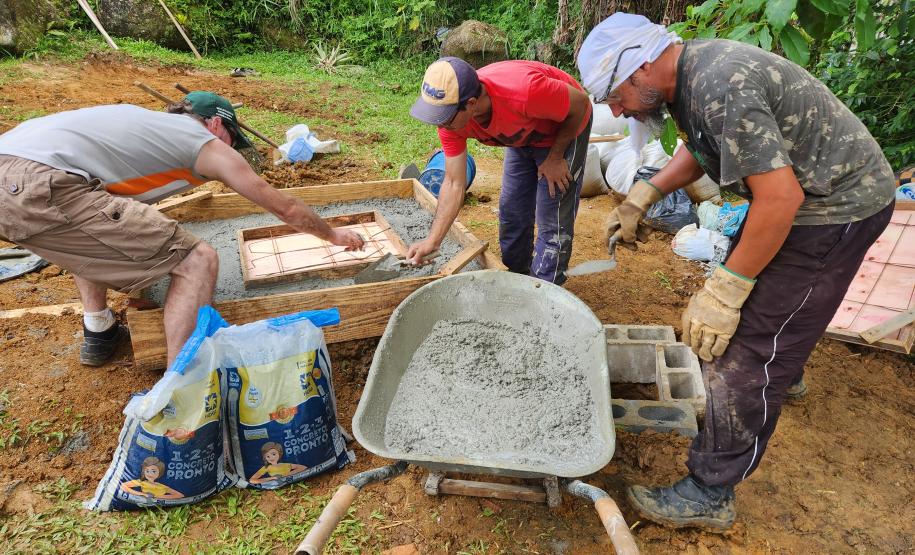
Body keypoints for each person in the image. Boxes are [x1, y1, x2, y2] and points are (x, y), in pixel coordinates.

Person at [577, 14, 895, 530]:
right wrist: (646, 193)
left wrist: (727, 290)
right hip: (809, 196)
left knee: (744, 345)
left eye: (615, 95)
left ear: (641, 68)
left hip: (834, 206)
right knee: (761, 305)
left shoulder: (720, 83)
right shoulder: (690, 77)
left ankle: (710, 490)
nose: (615, 109)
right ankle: (782, 368)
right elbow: (706, 148)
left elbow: (781, 198)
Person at [0, 92, 364, 368]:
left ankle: (99, 330)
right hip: (37, 183)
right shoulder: (203, 143)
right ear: (217, 125)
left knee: (91, 230)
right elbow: (283, 206)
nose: (231, 149)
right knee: (197, 261)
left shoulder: (146, 127)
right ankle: (183, 382)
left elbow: (96, 212)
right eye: (232, 140)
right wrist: (333, 235)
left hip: (15, 172)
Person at [407, 56, 592, 284]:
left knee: (552, 219)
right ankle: (515, 280)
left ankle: (543, 295)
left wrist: (555, 157)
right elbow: (454, 182)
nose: (440, 125)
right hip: (522, 133)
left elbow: (581, 104)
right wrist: (432, 241)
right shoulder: (451, 122)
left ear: (472, 104)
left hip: (564, 123)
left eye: (445, 118)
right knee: (512, 211)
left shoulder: (525, 91)